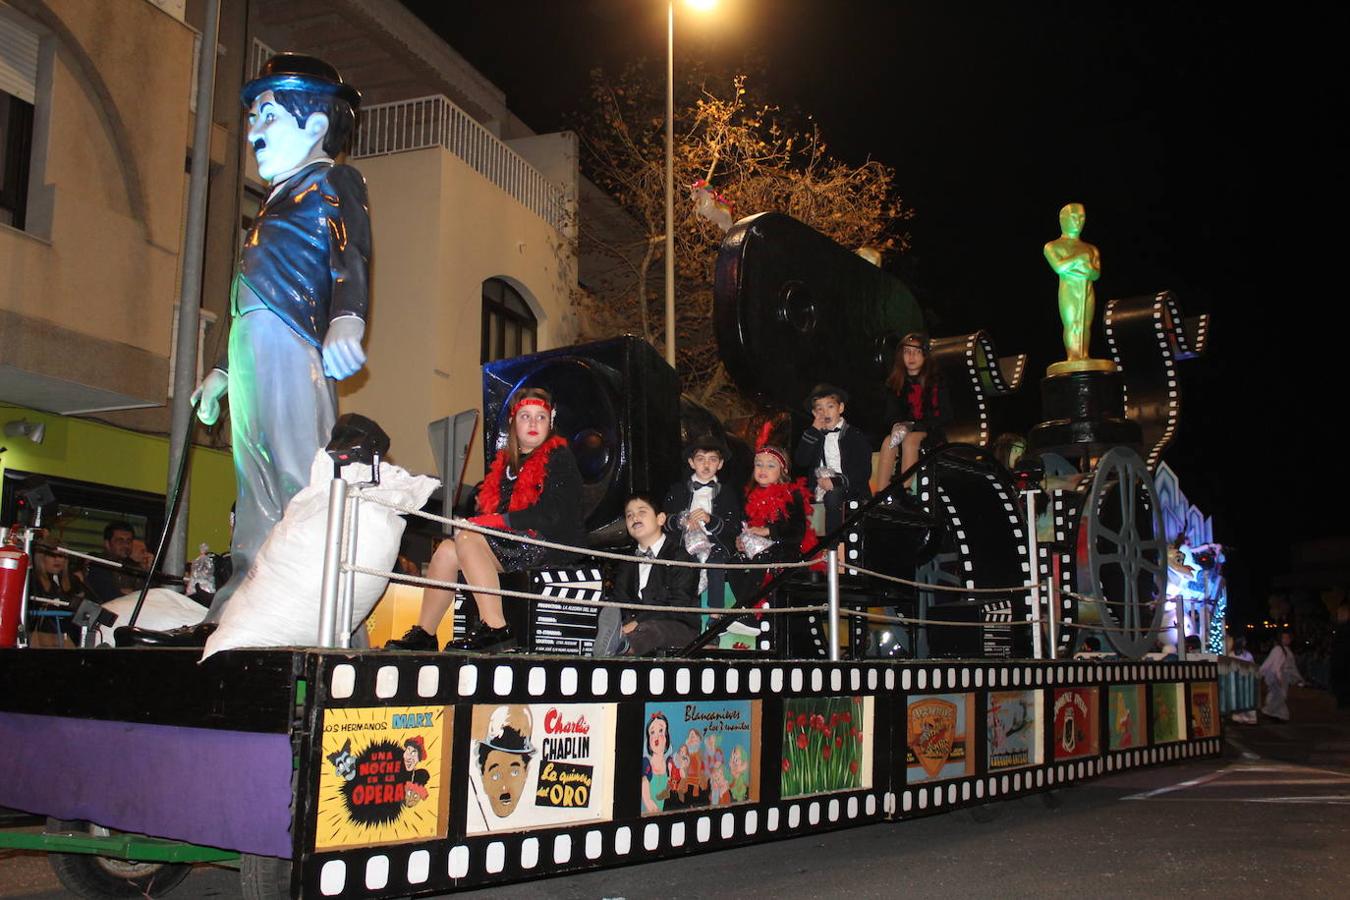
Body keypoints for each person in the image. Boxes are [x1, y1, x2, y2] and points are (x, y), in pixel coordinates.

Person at [185, 54, 370, 637]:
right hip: (250, 342)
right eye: (252, 118)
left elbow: (352, 255)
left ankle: (329, 613)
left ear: (315, 123)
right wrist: (221, 368)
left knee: (300, 474)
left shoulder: (334, 182)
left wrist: (348, 319)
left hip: (292, 340)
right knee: (254, 480)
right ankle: (250, 597)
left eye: (267, 114)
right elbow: (244, 287)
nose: (253, 130)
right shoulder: (269, 204)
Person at [386, 388, 585, 652]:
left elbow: (551, 514)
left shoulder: (560, 457)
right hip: (514, 541)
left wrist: (488, 523)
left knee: (467, 537)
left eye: (541, 417)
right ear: (514, 422)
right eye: (526, 416)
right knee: (447, 549)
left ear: (550, 423)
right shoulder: (505, 464)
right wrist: (480, 522)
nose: (534, 423)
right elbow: (494, 516)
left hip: (548, 543)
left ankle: (496, 627)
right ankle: (426, 632)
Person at [594, 493, 701, 657]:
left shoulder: (681, 557)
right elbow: (621, 600)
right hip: (635, 627)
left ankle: (621, 647)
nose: (634, 518)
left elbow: (678, 604)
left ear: (660, 519)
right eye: (629, 515)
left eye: (641, 512)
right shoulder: (627, 562)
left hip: (678, 627)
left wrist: (638, 622)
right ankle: (612, 642)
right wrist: (623, 622)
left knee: (653, 629)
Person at [731, 429, 818, 606]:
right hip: (757, 552)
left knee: (763, 557)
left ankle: (743, 610)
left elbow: (797, 532)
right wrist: (739, 541)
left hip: (784, 552)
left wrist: (767, 531)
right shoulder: (748, 496)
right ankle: (749, 610)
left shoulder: (792, 494)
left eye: (770, 465)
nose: (763, 469)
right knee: (733, 563)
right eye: (759, 464)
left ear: (783, 470)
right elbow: (741, 527)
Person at [662, 435, 741, 611]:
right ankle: (681, 611)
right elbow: (663, 521)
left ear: (720, 464)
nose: (706, 465)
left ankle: (715, 614)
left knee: (716, 561)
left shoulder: (727, 493)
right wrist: (683, 522)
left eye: (712, 460)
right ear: (691, 463)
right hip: (683, 544)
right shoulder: (677, 490)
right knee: (681, 562)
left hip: (715, 545)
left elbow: (734, 526)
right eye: (700, 459)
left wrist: (710, 520)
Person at [793, 384, 872, 534]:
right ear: (814, 413)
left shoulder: (854, 436)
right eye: (819, 409)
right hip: (817, 488)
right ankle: (800, 551)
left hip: (850, 488)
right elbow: (801, 460)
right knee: (792, 497)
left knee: (834, 494)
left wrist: (836, 481)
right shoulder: (813, 435)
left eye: (830, 406)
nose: (825, 413)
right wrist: (813, 431)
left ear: (840, 408)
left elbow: (863, 471)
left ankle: (832, 548)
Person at [878, 333, 952, 490]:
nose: (911, 356)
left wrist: (914, 426)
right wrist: (897, 424)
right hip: (905, 430)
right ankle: (881, 494)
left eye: (917, 352)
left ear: (925, 355)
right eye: (907, 352)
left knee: (910, 440)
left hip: (930, 431)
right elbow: (890, 415)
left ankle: (904, 490)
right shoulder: (894, 384)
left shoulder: (937, 381)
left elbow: (946, 415)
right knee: (888, 442)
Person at [83, 521, 138, 604]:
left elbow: (146, 595)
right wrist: (132, 594)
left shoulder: (134, 566)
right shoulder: (97, 564)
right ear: (107, 544)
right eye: (120, 541)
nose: (126, 546)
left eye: (128, 541)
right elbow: (111, 597)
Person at [1260, 630, 1305, 722]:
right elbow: (1275, 664)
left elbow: (1292, 666)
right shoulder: (1278, 649)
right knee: (1279, 695)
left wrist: (1297, 678)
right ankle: (1268, 711)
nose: (1287, 639)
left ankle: (1279, 715)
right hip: (1278, 676)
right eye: (1284, 637)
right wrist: (1278, 676)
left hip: (1284, 676)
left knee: (1279, 695)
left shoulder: (1287, 651)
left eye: (1288, 638)